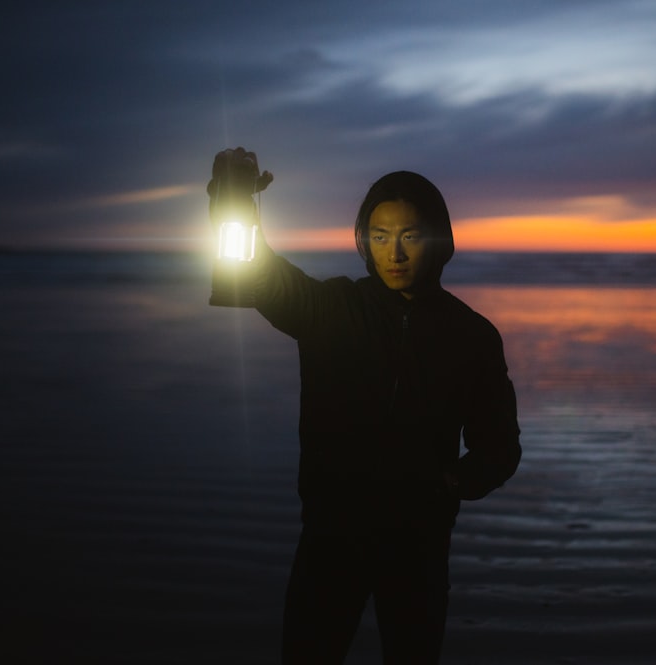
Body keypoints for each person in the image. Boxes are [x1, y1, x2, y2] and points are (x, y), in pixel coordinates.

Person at [207, 148, 522, 664]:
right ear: (364, 240)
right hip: (331, 539)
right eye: (379, 236)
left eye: (410, 236)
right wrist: (233, 201)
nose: (393, 253)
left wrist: (452, 485)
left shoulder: (472, 336)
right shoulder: (330, 309)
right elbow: (256, 273)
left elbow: (500, 447)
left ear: (438, 239)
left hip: (418, 548)